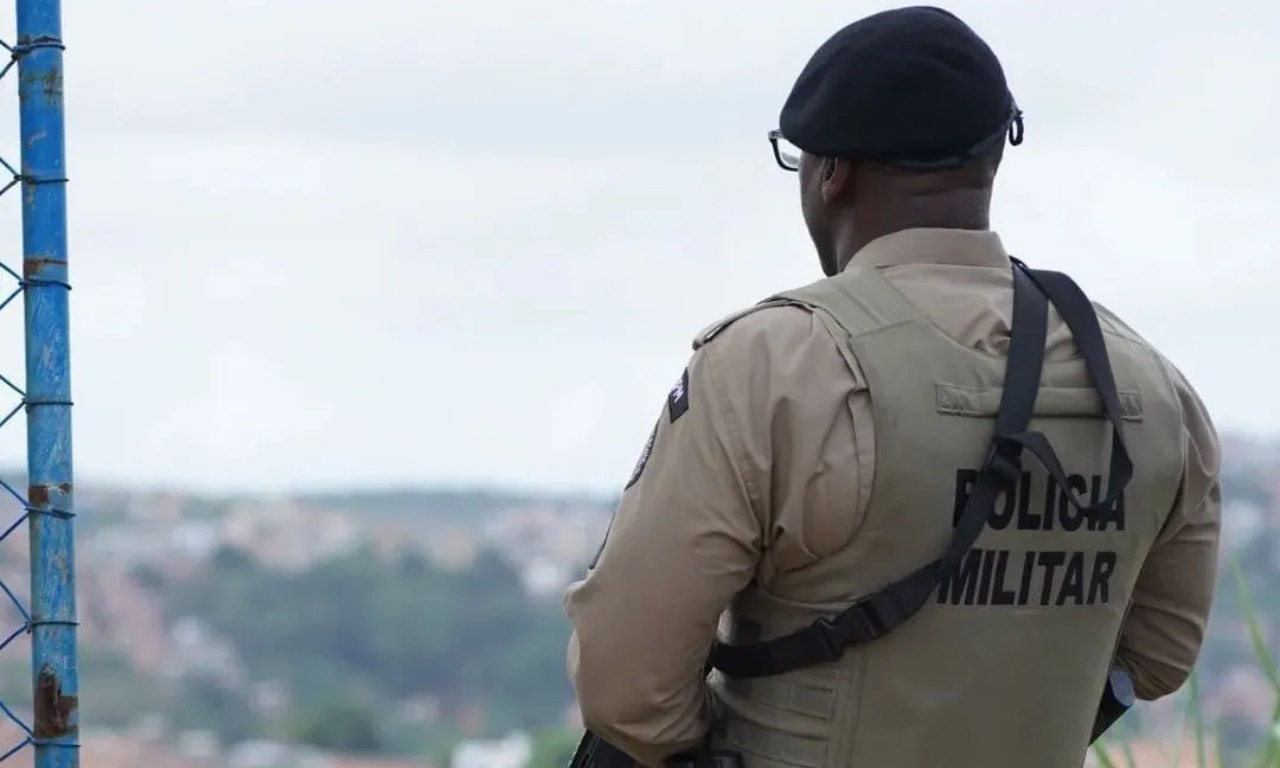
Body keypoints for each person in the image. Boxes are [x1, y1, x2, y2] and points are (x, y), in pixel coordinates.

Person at [563, 6, 1221, 768]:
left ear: (829, 173)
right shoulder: (1150, 384)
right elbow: (1161, 651)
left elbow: (625, 687)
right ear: (990, 163)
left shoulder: (777, 364)